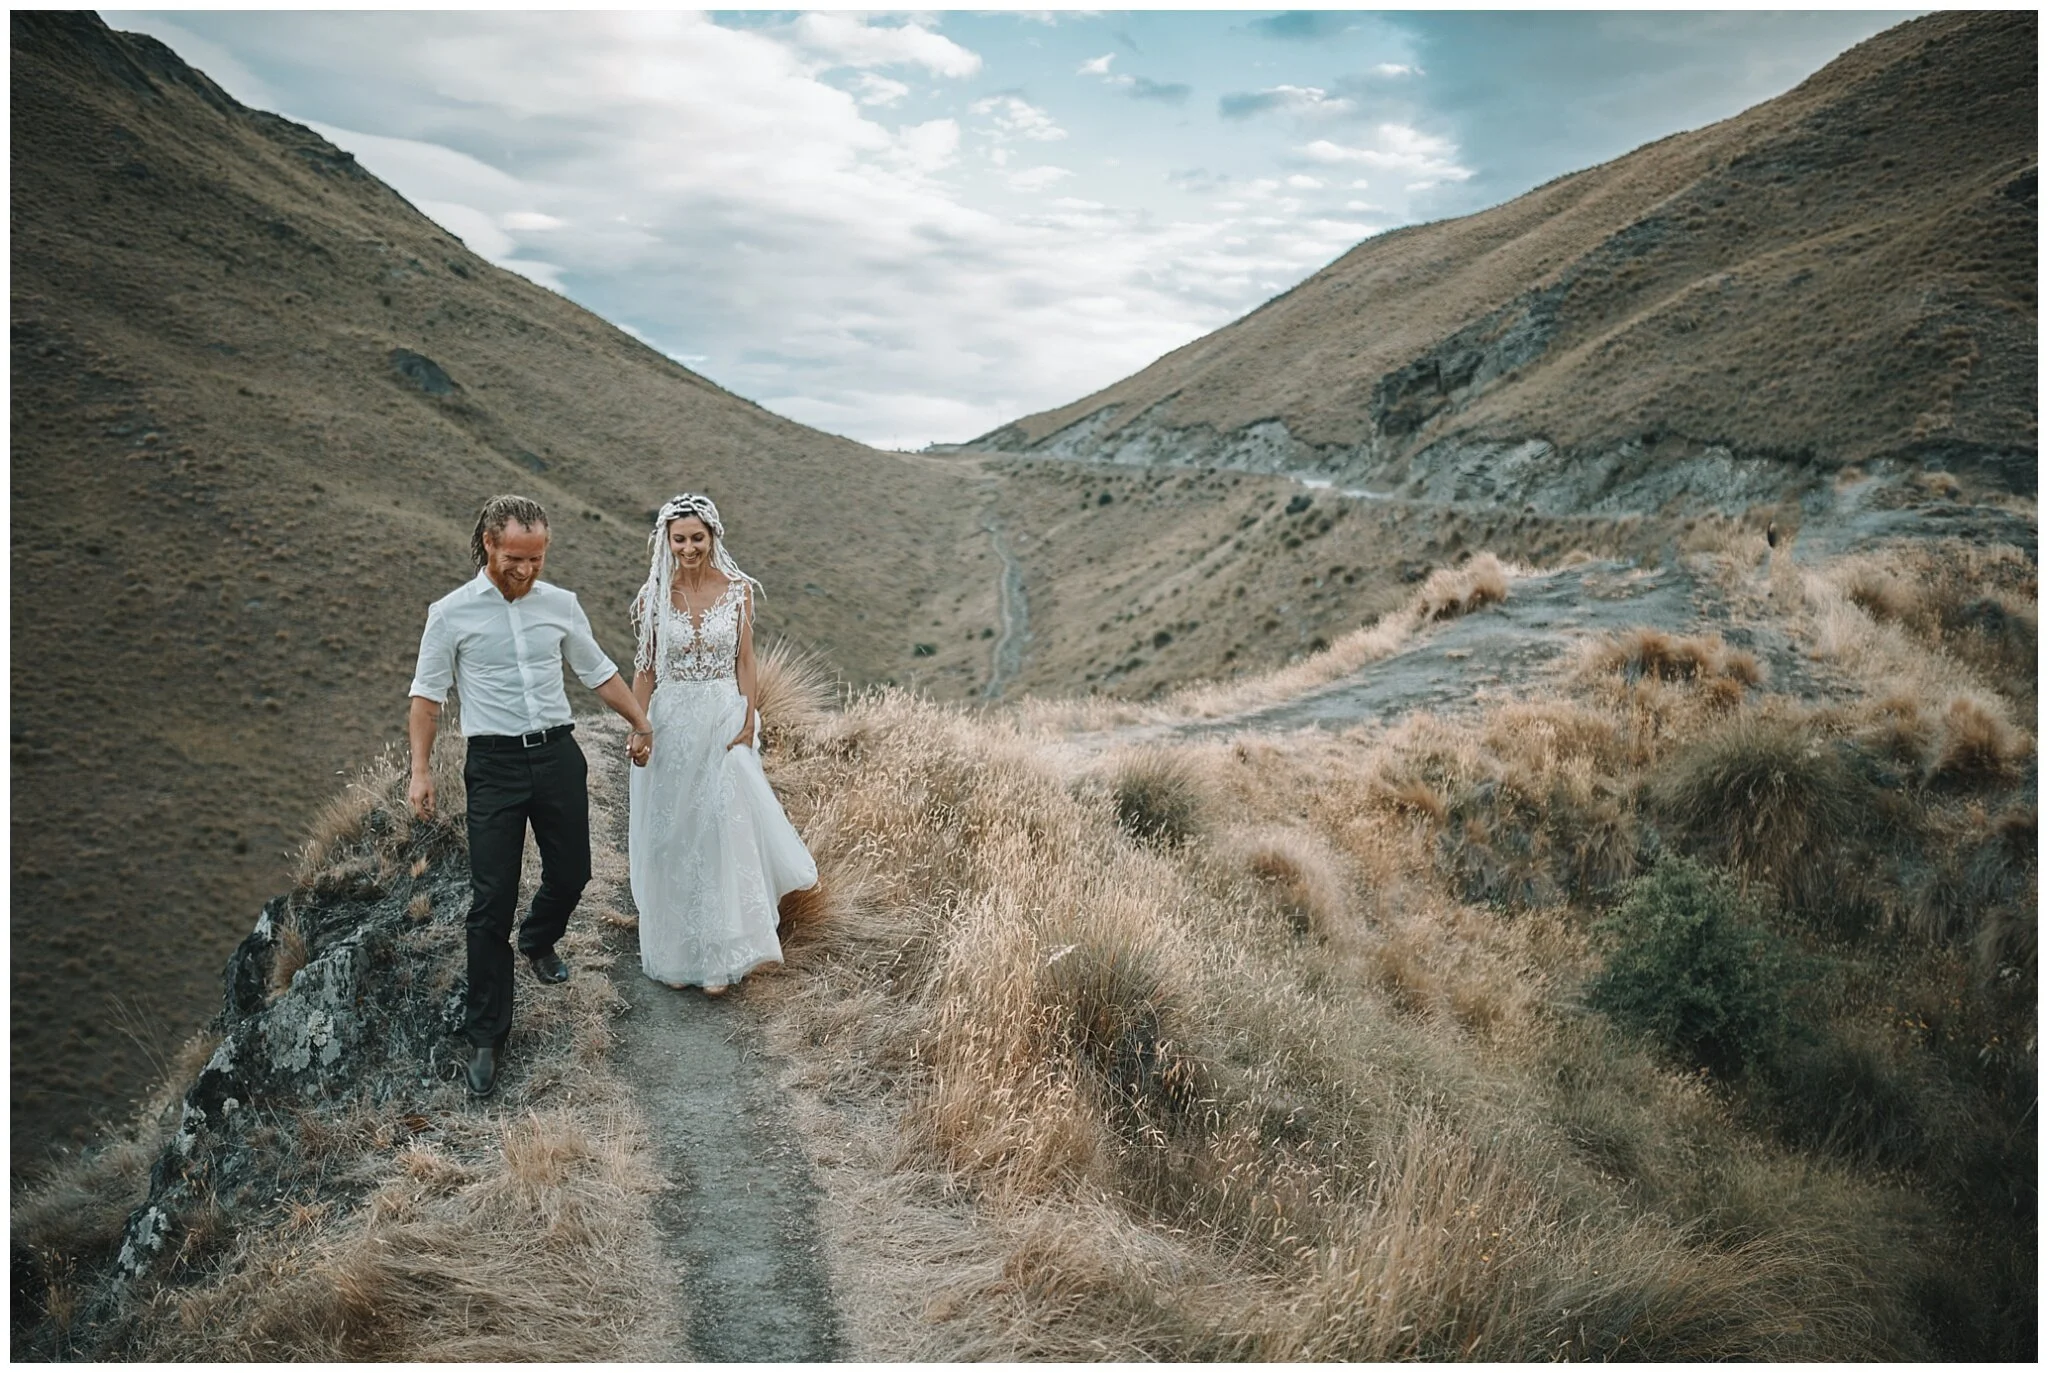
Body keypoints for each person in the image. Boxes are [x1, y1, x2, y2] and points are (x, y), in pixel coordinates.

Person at [406, 494, 654, 1098]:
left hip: (556, 755)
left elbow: (597, 670)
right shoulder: (450, 613)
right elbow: (427, 697)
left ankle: (539, 939)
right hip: (492, 766)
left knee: (573, 873)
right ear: (488, 544)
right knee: (491, 900)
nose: (526, 569)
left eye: (536, 558)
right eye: (515, 557)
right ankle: (487, 1036)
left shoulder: (560, 605)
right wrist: (420, 771)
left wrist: (640, 722)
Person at [627, 492, 817, 994]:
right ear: (666, 541)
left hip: (722, 717)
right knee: (673, 836)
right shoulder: (652, 598)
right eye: (680, 539)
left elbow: (745, 661)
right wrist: (639, 725)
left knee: (718, 831)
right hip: (672, 722)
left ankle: (720, 959)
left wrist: (749, 719)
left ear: (713, 537)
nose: (689, 548)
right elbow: (645, 670)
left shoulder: (738, 591)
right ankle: (675, 955)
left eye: (697, 538)